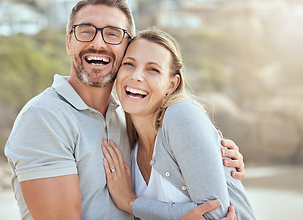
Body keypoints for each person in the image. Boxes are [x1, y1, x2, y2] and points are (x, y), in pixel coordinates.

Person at [4, 0, 245, 220]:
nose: (98, 43)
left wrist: (218, 158)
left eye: (112, 34)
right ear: (68, 42)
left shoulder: (125, 117)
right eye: (86, 31)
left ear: (126, 47)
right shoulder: (44, 118)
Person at [101, 27, 256, 219]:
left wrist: (131, 203)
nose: (136, 76)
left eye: (153, 69)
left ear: (172, 84)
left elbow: (213, 213)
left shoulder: (181, 115)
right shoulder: (127, 143)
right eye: (129, 64)